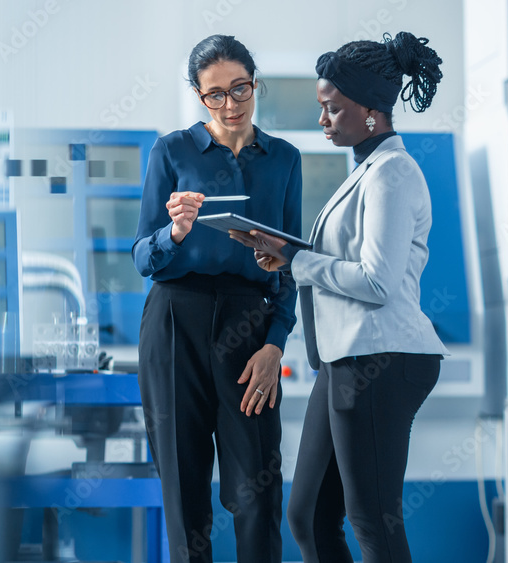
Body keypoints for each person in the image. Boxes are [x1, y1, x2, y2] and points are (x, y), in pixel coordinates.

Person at [229, 31, 449, 562]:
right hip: (343, 359)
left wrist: (298, 261)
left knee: (371, 520)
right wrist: (286, 252)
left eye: (331, 109)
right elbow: (349, 262)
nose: (323, 120)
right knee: (307, 516)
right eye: (321, 108)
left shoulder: (392, 174)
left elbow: (377, 281)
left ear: (371, 112)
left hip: (381, 357)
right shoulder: (366, 171)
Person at [132, 34, 302, 563]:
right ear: (198, 96)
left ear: (255, 85)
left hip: (249, 326)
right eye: (214, 95)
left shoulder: (284, 159)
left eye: (240, 89)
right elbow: (141, 257)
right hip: (174, 322)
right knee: (183, 493)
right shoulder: (172, 150)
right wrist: (174, 234)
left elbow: (293, 263)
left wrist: (275, 345)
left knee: (257, 489)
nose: (230, 105)